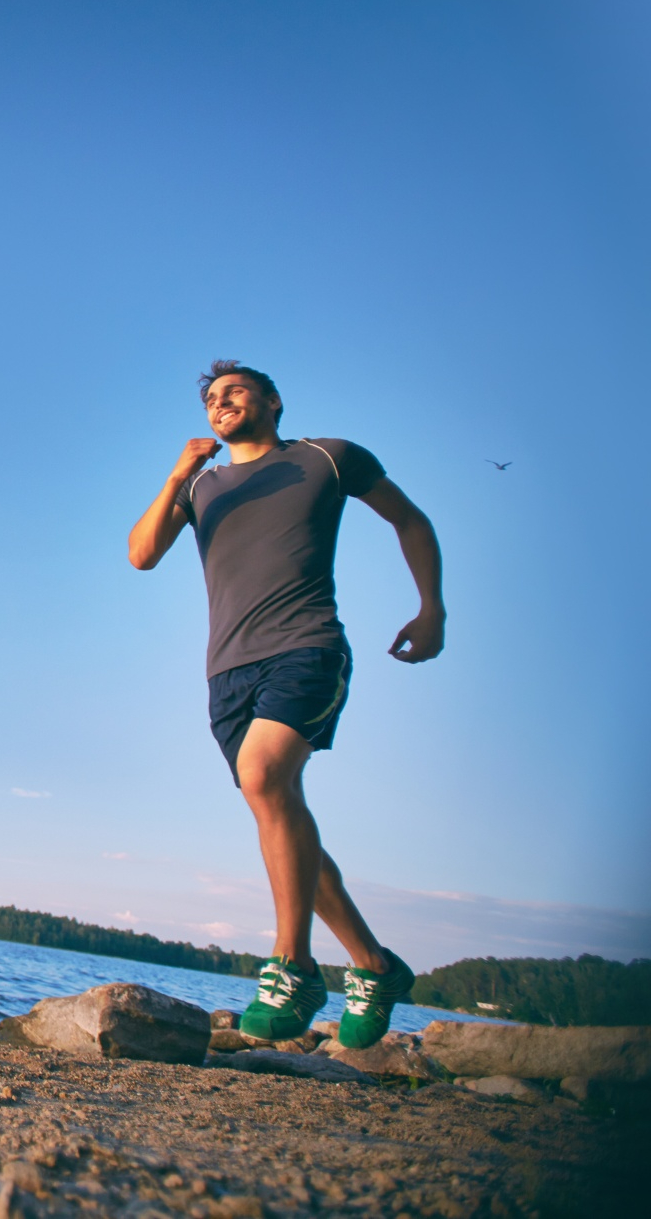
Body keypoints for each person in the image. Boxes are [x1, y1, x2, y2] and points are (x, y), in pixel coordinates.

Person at [127, 361, 444, 1049]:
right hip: (226, 674)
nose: (220, 403)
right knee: (282, 813)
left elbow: (409, 518)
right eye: (210, 398)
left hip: (306, 647)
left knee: (269, 780)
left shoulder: (325, 459)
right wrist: (178, 474)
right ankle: (374, 964)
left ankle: (294, 964)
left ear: (272, 400)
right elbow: (142, 554)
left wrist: (432, 608)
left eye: (233, 391)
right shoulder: (202, 487)